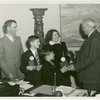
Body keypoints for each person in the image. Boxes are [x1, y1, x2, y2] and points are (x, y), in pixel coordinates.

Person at [69, 17, 100, 91]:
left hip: (91, 78)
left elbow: (91, 58)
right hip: (90, 76)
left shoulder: (95, 38)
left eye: (83, 27)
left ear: (88, 27)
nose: (82, 30)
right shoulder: (93, 37)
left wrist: (76, 67)